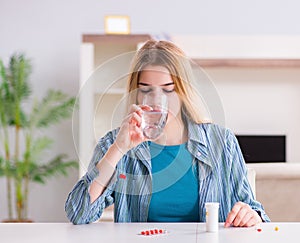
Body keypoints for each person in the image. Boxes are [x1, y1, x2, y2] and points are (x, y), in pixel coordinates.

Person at [65, 40, 270, 226]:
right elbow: (78, 213)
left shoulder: (221, 141)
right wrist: (118, 149)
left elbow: (255, 212)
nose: (156, 100)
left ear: (183, 91)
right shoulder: (115, 143)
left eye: (168, 89)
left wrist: (251, 215)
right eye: (146, 89)